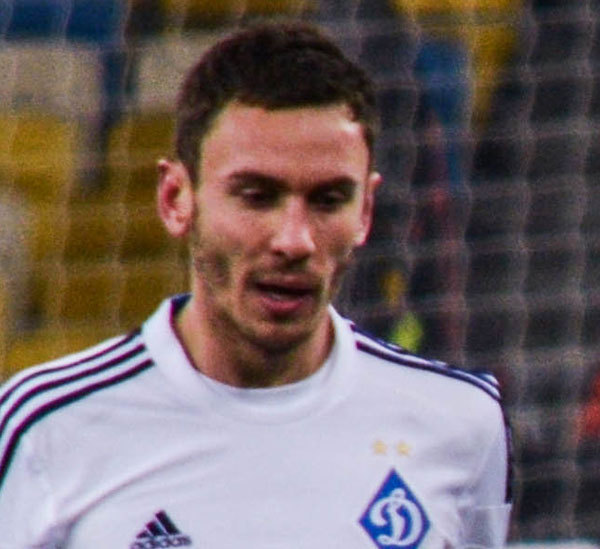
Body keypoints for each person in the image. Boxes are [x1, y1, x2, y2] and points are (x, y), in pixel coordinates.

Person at [0, 21, 512, 548]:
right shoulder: (46, 427)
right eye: (256, 196)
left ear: (365, 211)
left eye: (329, 200)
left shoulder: (461, 422)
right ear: (175, 198)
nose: (294, 240)